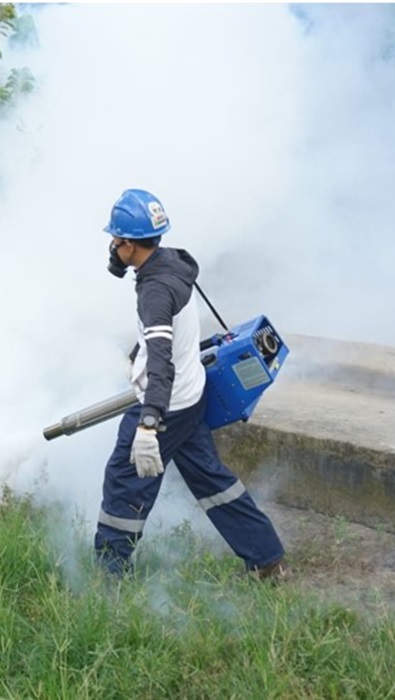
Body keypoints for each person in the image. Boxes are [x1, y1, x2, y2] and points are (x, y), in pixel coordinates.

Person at [94, 188, 287, 580]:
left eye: (116, 240)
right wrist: (139, 353)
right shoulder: (172, 263)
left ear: (130, 244)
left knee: (124, 483)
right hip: (191, 395)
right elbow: (167, 338)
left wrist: (149, 423)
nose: (112, 247)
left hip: (168, 404)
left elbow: (162, 360)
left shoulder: (154, 291)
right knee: (211, 480)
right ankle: (266, 557)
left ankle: (109, 577)